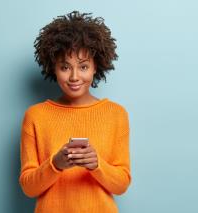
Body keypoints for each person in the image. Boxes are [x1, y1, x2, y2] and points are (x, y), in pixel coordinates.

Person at [19, 11, 131, 213]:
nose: (74, 76)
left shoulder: (116, 114)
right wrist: (55, 164)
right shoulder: (35, 116)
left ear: (96, 67)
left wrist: (97, 165)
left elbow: (121, 185)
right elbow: (28, 187)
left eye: (83, 66)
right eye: (65, 67)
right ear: (53, 67)